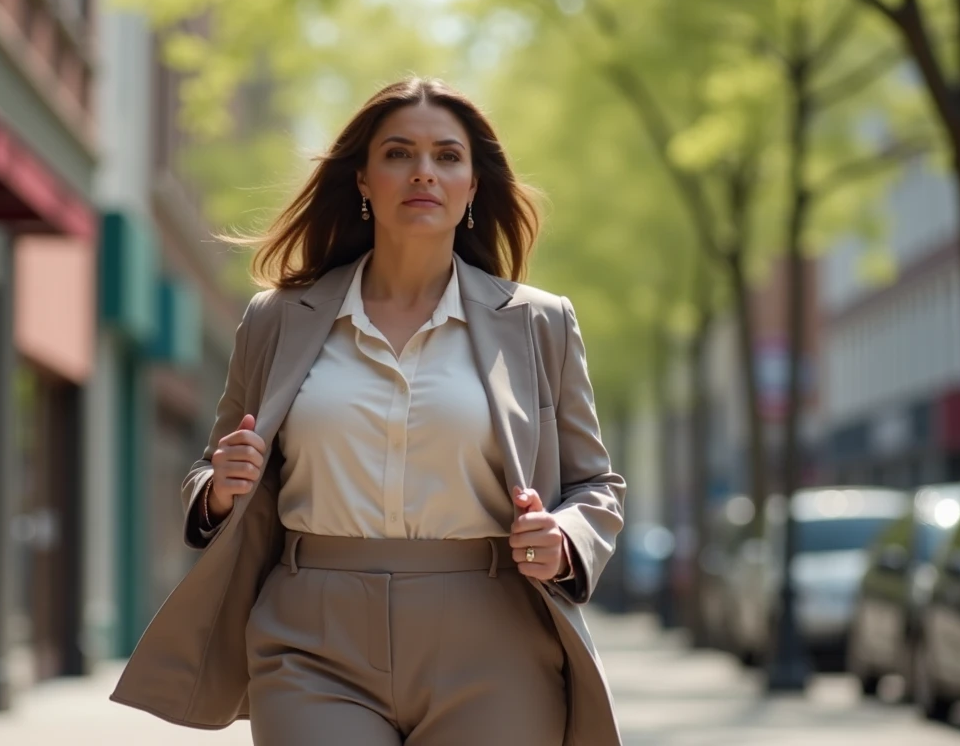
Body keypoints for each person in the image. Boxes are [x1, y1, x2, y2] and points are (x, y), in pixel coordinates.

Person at [111, 77, 626, 746]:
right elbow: (214, 471)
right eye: (398, 153)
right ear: (362, 178)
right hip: (313, 636)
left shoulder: (538, 323)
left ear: (472, 187)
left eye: (447, 157)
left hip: (495, 634)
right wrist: (218, 488)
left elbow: (596, 486)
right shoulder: (277, 320)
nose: (423, 172)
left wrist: (563, 539)